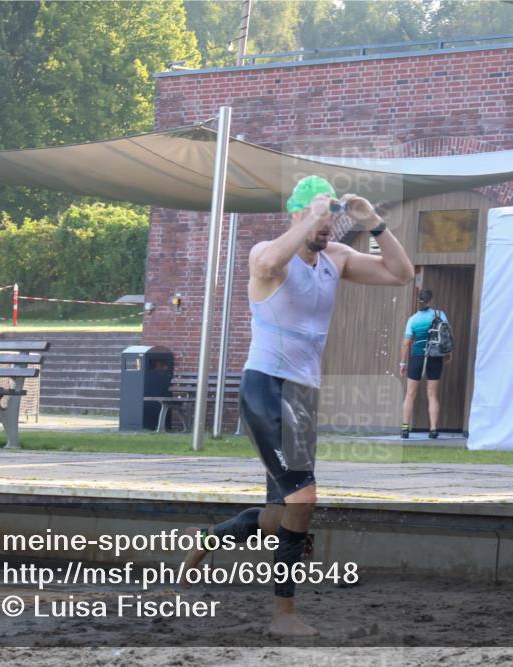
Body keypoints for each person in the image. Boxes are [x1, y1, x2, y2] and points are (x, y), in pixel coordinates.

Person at [183, 175, 414, 636]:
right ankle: (282, 615)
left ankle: (209, 539)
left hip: (304, 396)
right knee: (303, 499)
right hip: (266, 387)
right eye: (319, 218)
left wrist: (375, 224)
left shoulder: (337, 258)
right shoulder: (268, 253)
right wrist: (311, 215)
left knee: (277, 516)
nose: (328, 227)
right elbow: (269, 260)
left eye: (332, 220)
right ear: (297, 214)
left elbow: (401, 275)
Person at [399, 289, 449, 439]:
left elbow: (406, 344)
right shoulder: (440, 315)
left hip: (417, 356)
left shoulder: (413, 319)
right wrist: (448, 354)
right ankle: (433, 430)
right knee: (432, 394)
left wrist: (403, 363)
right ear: (431, 300)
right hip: (435, 356)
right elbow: (446, 336)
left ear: (418, 301)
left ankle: (405, 429)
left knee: (410, 394)